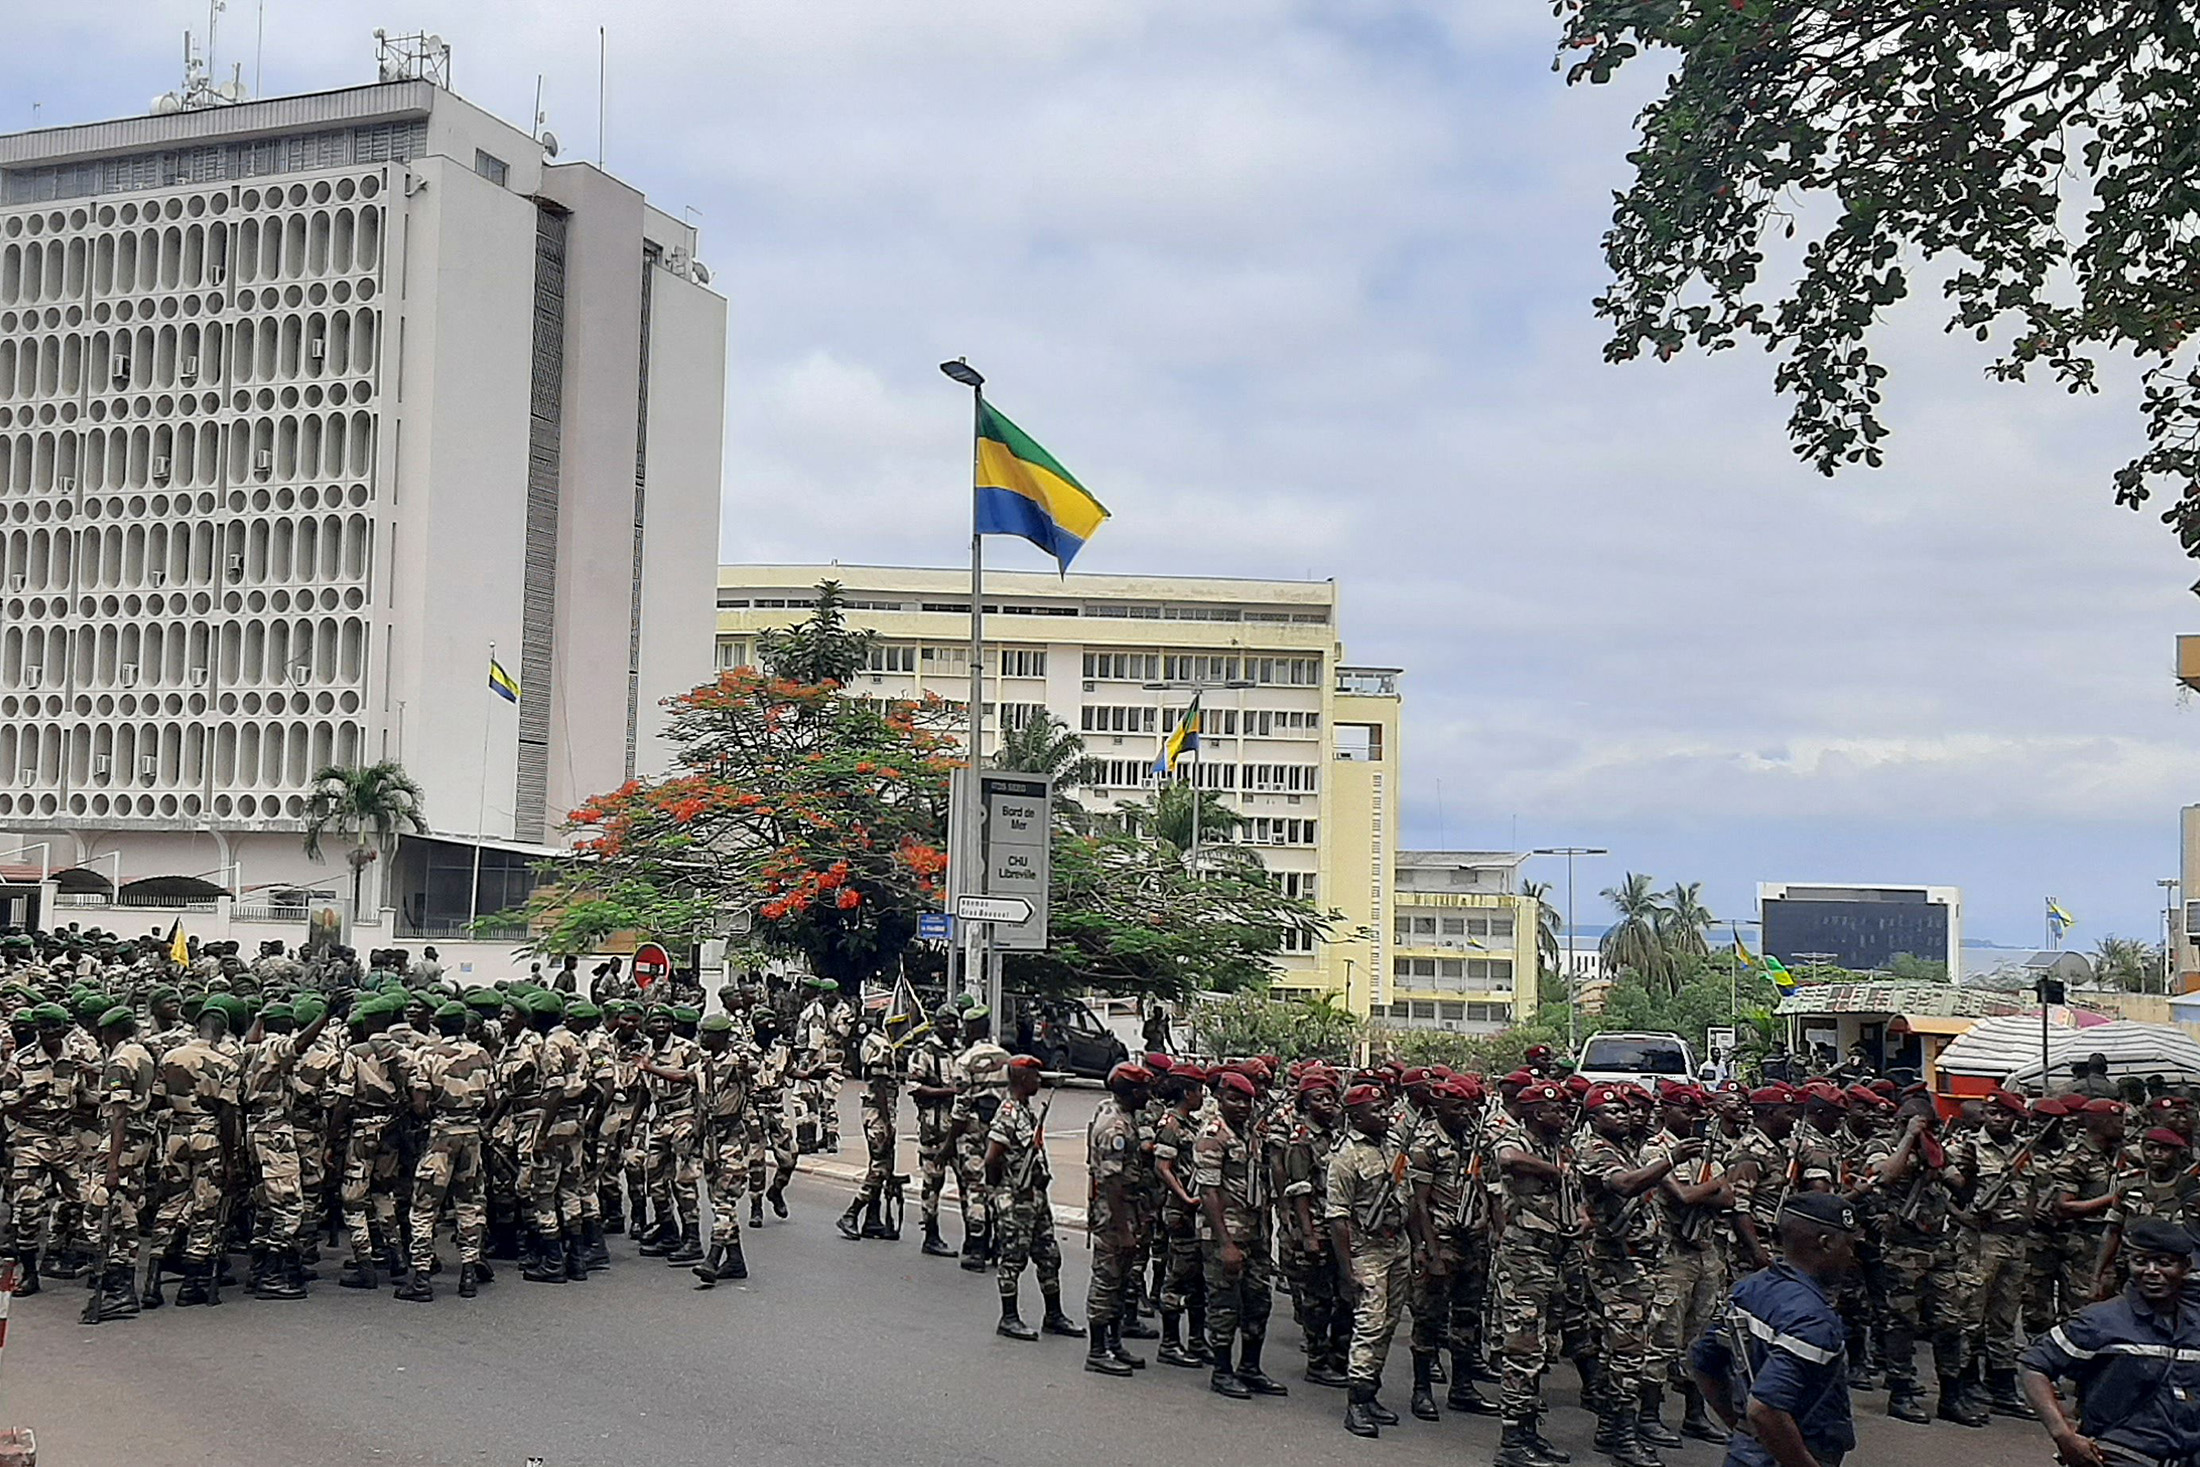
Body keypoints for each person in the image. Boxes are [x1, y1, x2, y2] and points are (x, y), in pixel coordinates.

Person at [1690, 1192, 1860, 1467]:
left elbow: (1702, 1361)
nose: (1851, 1254)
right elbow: (1765, 1408)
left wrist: (1742, 1426)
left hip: (1744, 1455)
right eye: (1848, 1244)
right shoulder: (1814, 1319)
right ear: (1825, 1243)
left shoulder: (1750, 1288)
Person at [2020, 1216, 2200, 1467]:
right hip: (2120, 1456)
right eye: (2140, 1262)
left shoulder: (2194, 1324)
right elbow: (2034, 1365)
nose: (2151, 1272)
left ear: (2186, 1267)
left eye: (2164, 1263)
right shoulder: (2101, 1320)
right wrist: (2063, 1435)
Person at [1197, 1068, 1287, 1400]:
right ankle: (1222, 1371)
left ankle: (1250, 1367)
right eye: (1233, 1099)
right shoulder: (1213, 1134)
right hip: (1227, 1233)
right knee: (1224, 1305)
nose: (1241, 1107)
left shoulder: (1252, 1132)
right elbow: (1208, 1192)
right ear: (1219, 1099)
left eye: (1246, 1101)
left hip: (1256, 1233)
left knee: (1258, 1302)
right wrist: (1225, 1244)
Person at [397, 1001, 496, 1302]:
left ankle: (422, 1276)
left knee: (425, 1207)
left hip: (442, 1134)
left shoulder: (428, 1054)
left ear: (438, 1025)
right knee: (469, 1205)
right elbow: (491, 1101)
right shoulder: (481, 1053)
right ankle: (468, 1272)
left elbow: (418, 1104)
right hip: (471, 1135)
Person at [1329, 1081, 1410, 1437]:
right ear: (1355, 1117)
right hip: (1367, 1249)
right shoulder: (1345, 1157)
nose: (1384, 1115)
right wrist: (1347, 1271)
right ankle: (1357, 1403)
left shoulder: (1394, 1147)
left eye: (1384, 1108)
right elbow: (1337, 1218)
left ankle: (1372, 1392)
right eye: (1375, 1111)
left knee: (1389, 1324)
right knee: (1369, 1326)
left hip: (1397, 1245)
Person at [984, 1054, 1081, 1342]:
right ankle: (1009, 1317)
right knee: (1013, 1259)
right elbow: (991, 1158)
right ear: (1022, 1079)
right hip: (1017, 1199)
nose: (1039, 1081)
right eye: (1035, 1076)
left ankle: (1054, 1315)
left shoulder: (1027, 1111)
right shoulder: (1008, 1113)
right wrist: (1006, 1189)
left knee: (1049, 1255)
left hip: (1036, 1198)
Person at [1084, 1060, 1152, 1377]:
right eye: (1144, 1089)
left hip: (1126, 1210)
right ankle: (1097, 1350)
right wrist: (1125, 1230)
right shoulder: (1116, 1129)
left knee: (1121, 1279)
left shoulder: (1117, 1113)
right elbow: (1111, 1183)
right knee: (1106, 1278)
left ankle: (1114, 1342)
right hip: (1114, 1215)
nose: (1149, 1095)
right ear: (1132, 1091)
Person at [908, 1005, 964, 1258]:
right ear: (936, 1024)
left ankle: (975, 1240)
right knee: (933, 1183)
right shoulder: (924, 1052)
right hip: (934, 1129)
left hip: (960, 1129)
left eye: (954, 1022)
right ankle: (931, 1235)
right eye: (946, 1022)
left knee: (968, 1183)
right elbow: (915, 1088)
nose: (951, 1027)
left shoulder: (960, 1052)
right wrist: (949, 1092)